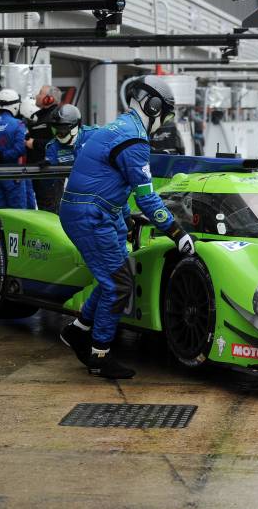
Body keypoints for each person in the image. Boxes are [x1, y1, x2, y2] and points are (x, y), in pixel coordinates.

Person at [58, 76, 195, 379]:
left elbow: (91, 163)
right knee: (118, 285)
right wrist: (177, 233)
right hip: (91, 216)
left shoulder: (115, 127)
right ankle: (99, 356)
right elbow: (146, 198)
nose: (164, 122)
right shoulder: (134, 140)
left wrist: (122, 215)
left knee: (113, 278)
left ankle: (78, 330)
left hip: (89, 211)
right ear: (154, 106)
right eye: (166, 115)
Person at [25, 85, 63, 212]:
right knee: (42, 209)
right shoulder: (38, 117)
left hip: (50, 171)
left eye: (40, 93)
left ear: (49, 99)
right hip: (38, 170)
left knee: (51, 209)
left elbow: (59, 142)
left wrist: (34, 143)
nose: (37, 96)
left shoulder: (56, 117)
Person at [42, 104, 81, 170]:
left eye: (63, 128)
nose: (59, 132)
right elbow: (52, 178)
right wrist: (47, 168)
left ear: (74, 126)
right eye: (56, 128)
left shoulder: (89, 137)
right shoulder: (53, 146)